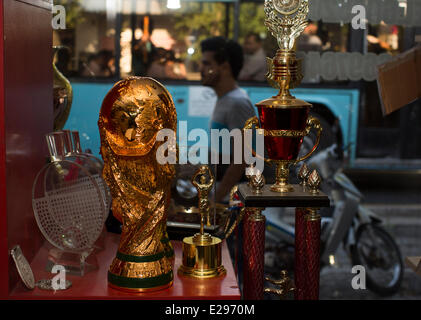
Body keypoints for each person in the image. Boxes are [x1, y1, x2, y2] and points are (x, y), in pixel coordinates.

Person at [200, 36, 256, 203]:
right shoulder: (225, 99)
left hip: (231, 201)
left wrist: (216, 199)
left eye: (207, 64)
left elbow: (242, 159)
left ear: (224, 67)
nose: (200, 69)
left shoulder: (237, 103)